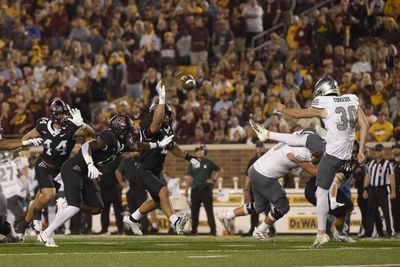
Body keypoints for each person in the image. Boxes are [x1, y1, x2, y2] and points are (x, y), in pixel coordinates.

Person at [250, 77, 369, 248]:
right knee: (308, 137)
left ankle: (321, 233)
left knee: (320, 192)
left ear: (323, 90)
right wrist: (362, 150)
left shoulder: (325, 103)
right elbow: (364, 125)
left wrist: (283, 109)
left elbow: (299, 114)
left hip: (332, 152)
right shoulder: (351, 98)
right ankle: (267, 134)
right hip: (345, 149)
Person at [38, 113, 174, 247]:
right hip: (74, 167)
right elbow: (87, 146)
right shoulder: (108, 137)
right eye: (128, 130)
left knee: (97, 208)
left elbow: (137, 146)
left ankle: (66, 203)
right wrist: (90, 163)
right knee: (74, 207)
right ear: (120, 129)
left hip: (84, 172)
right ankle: (46, 234)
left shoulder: (122, 142)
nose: (130, 133)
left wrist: (158, 144)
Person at [123, 82, 200, 236]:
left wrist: (189, 157)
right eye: (165, 113)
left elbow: (172, 147)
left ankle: (132, 218)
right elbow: (156, 124)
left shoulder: (167, 128)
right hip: (144, 169)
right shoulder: (149, 124)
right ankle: (176, 222)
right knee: (163, 191)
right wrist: (162, 100)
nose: (168, 116)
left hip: (156, 170)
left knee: (158, 201)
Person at [218, 129, 317, 242]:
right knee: (283, 206)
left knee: (260, 206)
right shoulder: (300, 151)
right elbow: (313, 172)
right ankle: (260, 230)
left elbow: (297, 168)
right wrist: (334, 167)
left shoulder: (292, 140)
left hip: (255, 170)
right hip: (265, 176)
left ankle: (227, 216)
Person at [16, 100, 94, 236]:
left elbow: (91, 134)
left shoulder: (72, 126)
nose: (64, 117)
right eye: (61, 114)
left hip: (60, 170)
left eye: (65, 114)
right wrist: (27, 142)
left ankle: (21, 229)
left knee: (39, 199)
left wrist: (82, 124)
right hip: (44, 165)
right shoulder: (43, 125)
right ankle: (37, 213)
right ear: (53, 115)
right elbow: (24, 139)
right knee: (48, 195)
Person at [184, 145, 221, 236]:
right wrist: (186, 190)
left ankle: (213, 231)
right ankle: (194, 231)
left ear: (204, 152)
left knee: (209, 211)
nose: (200, 152)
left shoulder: (208, 162)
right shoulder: (192, 162)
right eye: (198, 151)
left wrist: (214, 180)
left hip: (206, 190)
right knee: (194, 212)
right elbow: (189, 177)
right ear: (195, 153)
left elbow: (219, 170)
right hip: (195, 190)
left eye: (201, 150)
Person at [362, 143, 396, 238]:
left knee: (386, 212)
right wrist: (365, 189)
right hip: (372, 189)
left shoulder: (388, 164)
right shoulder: (371, 163)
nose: (378, 152)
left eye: (380, 150)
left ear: (383, 151)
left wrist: (393, 191)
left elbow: (392, 178)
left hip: (383, 189)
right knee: (370, 211)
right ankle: (369, 232)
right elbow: (367, 176)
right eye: (376, 150)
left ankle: (389, 232)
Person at [243, 141, 269, 236]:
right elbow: (247, 175)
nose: (259, 148)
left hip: (266, 187)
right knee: (254, 210)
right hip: (254, 188)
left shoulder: (268, 158)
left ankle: (270, 230)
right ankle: (252, 229)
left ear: (264, 148)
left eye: (261, 147)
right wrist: (246, 189)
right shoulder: (252, 161)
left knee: (268, 210)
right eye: (257, 147)